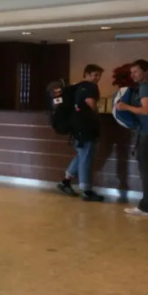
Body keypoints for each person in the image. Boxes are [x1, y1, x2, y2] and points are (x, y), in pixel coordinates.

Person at [115, 59, 148, 216]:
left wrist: (125, 107)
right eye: (131, 72)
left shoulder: (145, 87)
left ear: (146, 71)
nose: (132, 75)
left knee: (147, 169)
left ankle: (146, 206)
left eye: (136, 71)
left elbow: (146, 110)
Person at [57, 64, 105, 202]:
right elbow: (91, 103)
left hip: (77, 126)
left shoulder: (78, 86)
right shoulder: (90, 87)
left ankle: (66, 181)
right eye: (95, 75)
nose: (97, 78)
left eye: (99, 75)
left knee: (82, 154)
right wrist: (97, 112)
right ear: (87, 74)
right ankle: (86, 191)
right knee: (86, 156)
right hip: (86, 126)